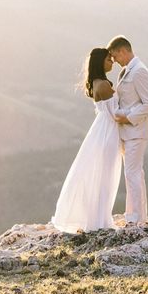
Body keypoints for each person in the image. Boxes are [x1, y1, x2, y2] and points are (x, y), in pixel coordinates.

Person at [50, 48, 121, 233]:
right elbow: (117, 114)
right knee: (105, 174)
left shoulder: (96, 82)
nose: (111, 62)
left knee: (100, 173)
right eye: (108, 59)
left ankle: (98, 217)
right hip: (108, 131)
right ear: (100, 62)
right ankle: (100, 220)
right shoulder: (104, 85)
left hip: (101, 130)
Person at [107, 36, 148, 225]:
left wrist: (127, 116)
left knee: (132, 173)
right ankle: (137, 214)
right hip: (127, 132)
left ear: (123, 51)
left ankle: (135, 218)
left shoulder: (139, 71)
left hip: (136, 131)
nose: (114, 61)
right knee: (135, 172)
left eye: (115, 56)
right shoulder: (127, 71)